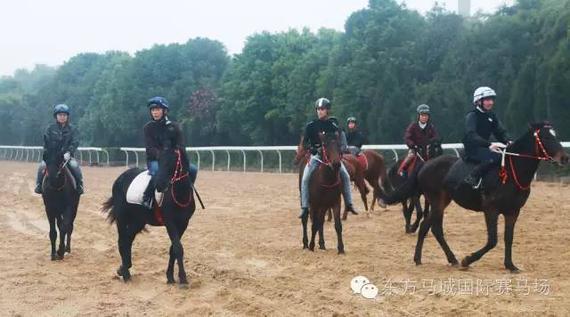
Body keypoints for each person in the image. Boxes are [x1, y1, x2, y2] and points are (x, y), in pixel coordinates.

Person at [299, 97, 357, 218]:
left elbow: (341, 140)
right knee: (305, 179)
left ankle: (349, 204)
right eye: (318, 109)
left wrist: (340, 150)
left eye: (322, 109)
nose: (319, 111)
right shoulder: (311, 126)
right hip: (317, 157)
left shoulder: (333, 125)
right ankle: (305, 207)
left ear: (327, 111)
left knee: (345, 176)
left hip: (331, 157)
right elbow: (304, 143)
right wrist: (311, 148)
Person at [142, 96, 198, 209]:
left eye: (157, 109)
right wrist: (163, 156)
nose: (155, 112)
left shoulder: (174, 127)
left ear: (165, 111)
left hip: (173, 159)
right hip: (155, 159)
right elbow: (150, 148)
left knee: (192, 169)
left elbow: (181, 145)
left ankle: (187, 192)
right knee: (156, 171)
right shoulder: (148, 128)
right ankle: (147, 197)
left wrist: (176, 154)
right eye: (153, 110)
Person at [462, 86, 512, 189]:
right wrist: (489, 145)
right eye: (487, 100)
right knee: (494, 157)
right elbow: (471, 135)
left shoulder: (491, 116)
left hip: (484, 147)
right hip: (472, 149)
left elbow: (500, 131)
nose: (491, 102)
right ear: (479, 101)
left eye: (492, 100)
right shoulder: (472, 116)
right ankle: (472, 177)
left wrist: (508, 141)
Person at [34, 104, 84, 194]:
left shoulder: (72, 129)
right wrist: (48, 154)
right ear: (56, 116)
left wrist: (69, 152)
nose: (62, 117)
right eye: (60, 115)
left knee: (75, 166)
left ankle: (79, 185)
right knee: (42, 166)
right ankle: (38, 185)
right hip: (53, 157)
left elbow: (75, 142)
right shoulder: (50, 128)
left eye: (64, 115)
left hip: (67, 157)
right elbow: (46, 143)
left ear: (67, 116)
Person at [400, 104, 439, 176]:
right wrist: (412, 144)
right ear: (419, 116)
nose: (424, 117)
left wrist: (431, 142)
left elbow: (435, 137)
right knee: (411, 156)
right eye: (422, 115)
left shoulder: (431, 127)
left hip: (427, 149)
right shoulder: (413, 126)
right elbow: (407, 137)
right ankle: (403, 170)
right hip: (415, 149)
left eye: (426, 115)